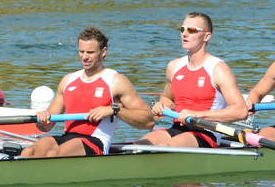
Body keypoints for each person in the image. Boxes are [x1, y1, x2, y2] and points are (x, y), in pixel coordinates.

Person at [22, 26, 153, 158]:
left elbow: (148, 122)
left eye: (90, 52)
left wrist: (114, 110)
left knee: (55, 154)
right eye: (81, 51)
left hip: (94, 142)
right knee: (29, 152)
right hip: (68, 137)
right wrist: (42, 120)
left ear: (103, 51)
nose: (84, 57)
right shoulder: (68, 80)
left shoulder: (116, 81)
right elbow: (45, 128)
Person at [143, 12, 249, 147]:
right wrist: (161, 106)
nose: (184, 34)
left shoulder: (218, 69)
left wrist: (198, 115)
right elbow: (167, 98)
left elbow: (241, 111)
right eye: (182, 29)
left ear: (206, 36)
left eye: (192, 30)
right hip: (177, 128)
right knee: (142, 144)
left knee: (165, 147)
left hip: (206, 132)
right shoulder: (174, 67)